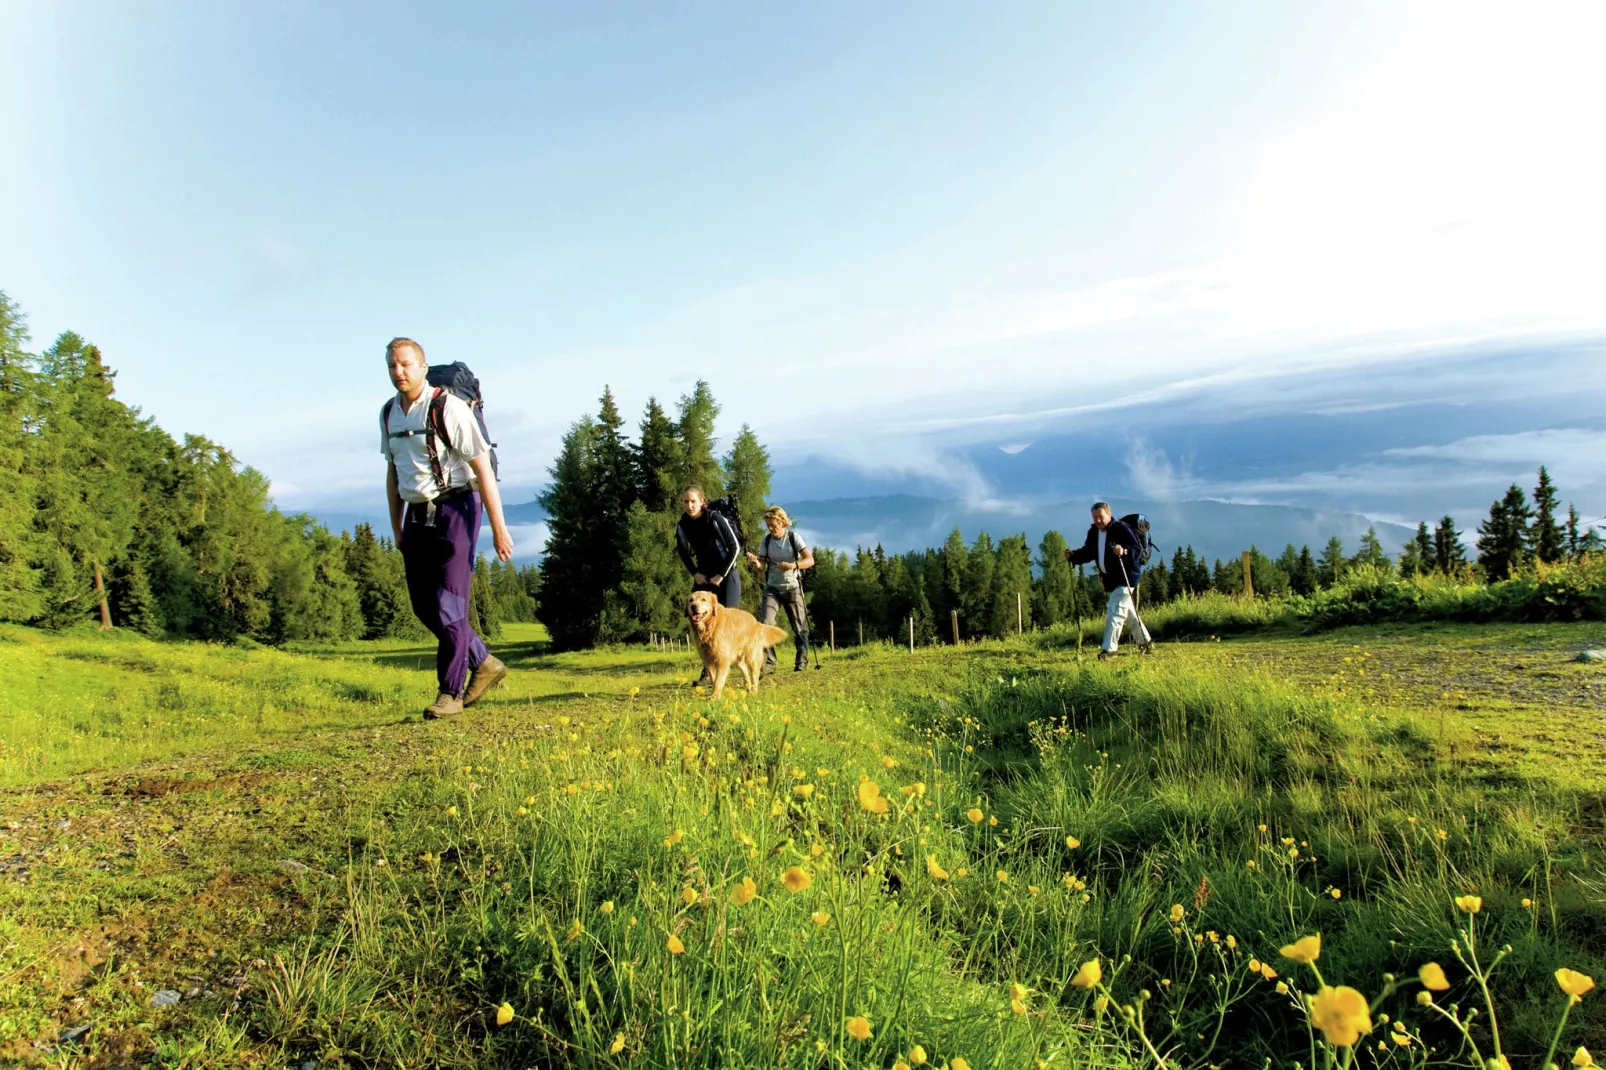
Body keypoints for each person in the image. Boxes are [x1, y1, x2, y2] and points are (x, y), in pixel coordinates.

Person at [381, 337, 515, 719]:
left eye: (406, 364)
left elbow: (483, 470)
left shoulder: (448, 408)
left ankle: (450, 694)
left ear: (422, 367)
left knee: (449, 605)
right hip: (416, 515)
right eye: (392, 365)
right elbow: (393, 474)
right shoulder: (389, 413)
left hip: (457, 506)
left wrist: (499, 529)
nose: (399, 372)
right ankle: (484, 662)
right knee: (423, 606)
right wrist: (397, 528)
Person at [1065, 501, 1152, 659]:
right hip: (1112, 579)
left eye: (1100, 517)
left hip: (1128, 576)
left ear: (1109, 515)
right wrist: (1074, 556)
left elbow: (1136, 551)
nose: (1097, 520)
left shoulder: (1121, 529)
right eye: (1095, 517)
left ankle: (1110, 649)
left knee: (1115, 609)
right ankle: (1145, 642)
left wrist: (1123, 550)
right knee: (1128, 612)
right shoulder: (1094, 532)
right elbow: (1089, 552)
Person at [675, 486, 742, 684]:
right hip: (703, 578)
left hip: (726, 576)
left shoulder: (714, 518)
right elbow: (683, 552)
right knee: (700, 624)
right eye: (686, 501)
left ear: (702, 502)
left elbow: (735, 547)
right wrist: (695, 573)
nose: (689, 505)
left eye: (693, 501)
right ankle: (708, 672)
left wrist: (721, 575)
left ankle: (745, 663)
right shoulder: (682, 525)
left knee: (727, 623)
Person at [746, 505, 814, 673]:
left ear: (783, 522)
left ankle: (802, 661)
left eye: (773, 525)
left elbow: (810, 560)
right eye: (768, 525)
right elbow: (762, 565)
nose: (771, 528)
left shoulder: (793, 537)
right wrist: (755, 562)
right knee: (765, 624)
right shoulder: (766, 540)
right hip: (773, 588)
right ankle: (769, 663)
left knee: (799, 627)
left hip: (793, 588)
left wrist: (792, 565)